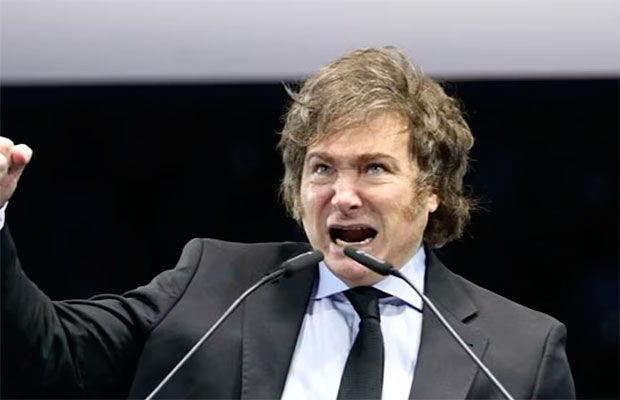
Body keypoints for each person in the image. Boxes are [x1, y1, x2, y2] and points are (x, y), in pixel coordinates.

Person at [0, 47, 575, 399]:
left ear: (432, 191)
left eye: (374, 168)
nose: (342, 196)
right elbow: (48, 358)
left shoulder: (520, 352)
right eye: (322, 168)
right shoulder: (214, 284)